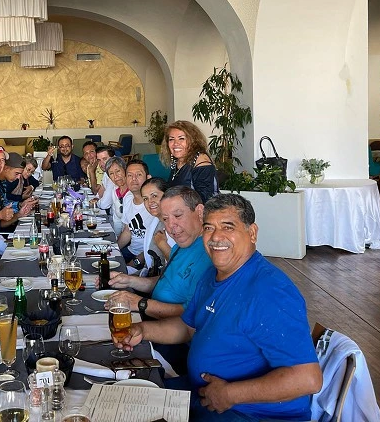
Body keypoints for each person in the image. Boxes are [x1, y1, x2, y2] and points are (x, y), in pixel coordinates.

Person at [116, 193, 322, 421]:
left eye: (227, 227)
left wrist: (231, 394)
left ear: (252, 233)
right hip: (202, 395)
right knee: (122, 398)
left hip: (249, 413)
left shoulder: (271, 292)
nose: (216, 236)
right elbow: (188, 328)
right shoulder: (212, 276)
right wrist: (142, 330)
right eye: (209, 228)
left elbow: (308, 378)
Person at [107, 186, 211, 321]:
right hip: (151, 313)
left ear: (200, 212)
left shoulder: (210, 255)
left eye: (178, 216)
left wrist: (139, 303)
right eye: (165, 219)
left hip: (167, 327)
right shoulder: (182, 245)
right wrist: (129, 280)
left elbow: (190, 314)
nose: (171, 226)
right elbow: (166, 281)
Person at [162, 120, 219, 203]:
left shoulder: (201, 161)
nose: (175, 143)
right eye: (171, 139)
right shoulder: (178, 160)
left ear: (193, 141)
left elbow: (204, 200)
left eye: (181, 138)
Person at [117, 159, 152, 268]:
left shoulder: (154, 205)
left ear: (148, 178)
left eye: (139, 175)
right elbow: (127, 231)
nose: (134, 179)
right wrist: (113, 249)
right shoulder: (128, 199)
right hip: (130, 251)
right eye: (130, 175)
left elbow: (154, 246)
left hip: (147, 257)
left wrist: (131, 265)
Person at [139, 177, 175, 276]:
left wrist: (162, 244)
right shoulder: (154, 223)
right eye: (145, 199)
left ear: (167, 195)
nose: (150, 202)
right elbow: (149, 265)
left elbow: (179, 267)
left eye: (154, 196)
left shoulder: (177, 226)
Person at [97, 155, 129, 234]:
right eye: (111, 173)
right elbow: (117, 219)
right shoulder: (115, 190)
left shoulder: (132, 191)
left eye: (118, 171)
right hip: (123, 235)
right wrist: (116, 237)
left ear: (125, 170)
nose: (115, 176)